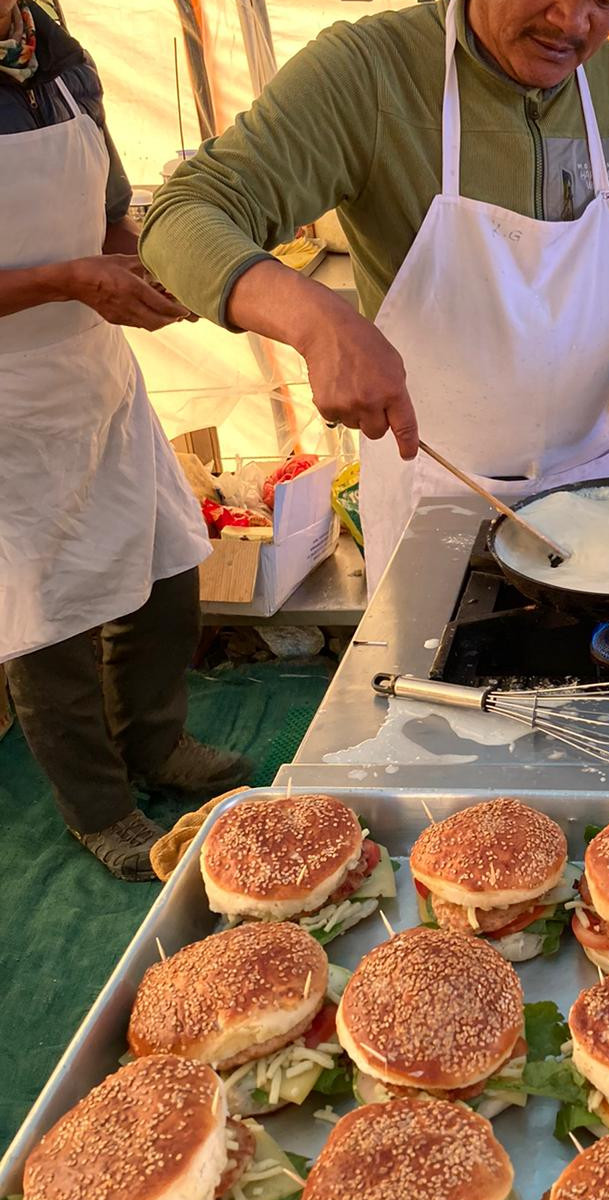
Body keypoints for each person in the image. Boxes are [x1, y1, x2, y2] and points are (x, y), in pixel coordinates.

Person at [140, 0, 609, 589]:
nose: (571, 21)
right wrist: (317, 322)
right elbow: (183, 213)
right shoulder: (370, 73)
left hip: (601, 491)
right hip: (433, 492)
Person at [0, 0, 252, 881]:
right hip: (7, 396)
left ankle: (154, 740)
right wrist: (72, 279)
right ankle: (100, 808)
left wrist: (147, 266)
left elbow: (107, 213)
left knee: (167, 564)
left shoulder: (53, 52)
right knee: (47, 617)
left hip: (93, 369)